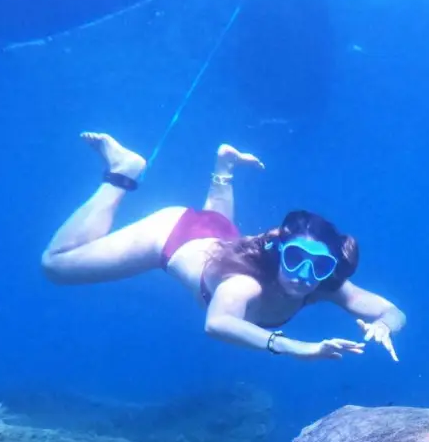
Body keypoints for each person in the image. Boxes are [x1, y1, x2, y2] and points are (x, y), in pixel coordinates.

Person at [41, 133, 406, 361]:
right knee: (56, 266)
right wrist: (298, 347)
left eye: (319, 267)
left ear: (330, 268)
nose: (304, 276)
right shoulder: (244, 284)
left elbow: (391, 310)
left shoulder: (320, 285)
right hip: (170, 234)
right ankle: (123, 173)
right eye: (295, 259)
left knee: (222, 232)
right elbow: (217, 324)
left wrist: (385, 326)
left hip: (220, 235)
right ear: (279, 251)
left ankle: (224, 167)